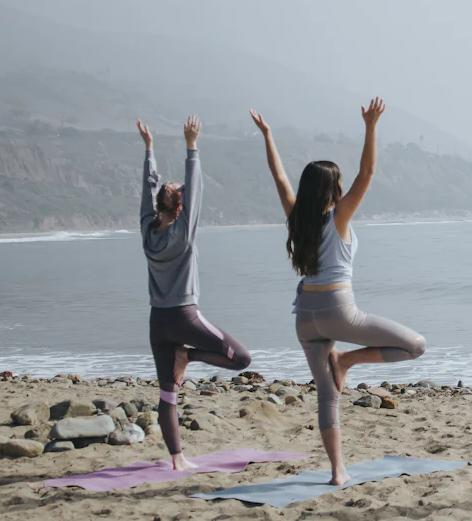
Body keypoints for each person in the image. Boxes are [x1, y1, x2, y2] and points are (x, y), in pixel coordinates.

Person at [250, 99, 426, 486]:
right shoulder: (339, 216)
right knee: (415, 345)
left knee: (326, 397)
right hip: (338, 311)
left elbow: (279, 179)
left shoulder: (297, 218)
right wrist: (370, 126)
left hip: (304, 318)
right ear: (333, 187)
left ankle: (337, 471)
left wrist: (268, 136)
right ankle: (346, 360)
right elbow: (368, 172)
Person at [138, 116, 252, 471]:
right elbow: (195, 185)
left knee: (167, 394)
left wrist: (150, 150)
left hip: (158, 322)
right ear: (181, 208)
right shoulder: (184, 233)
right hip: (185, 318)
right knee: (241, 359)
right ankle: (189, 357)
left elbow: (147, 188)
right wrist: (191, 146)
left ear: (158, 206)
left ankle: (177, 459)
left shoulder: (147, 230)